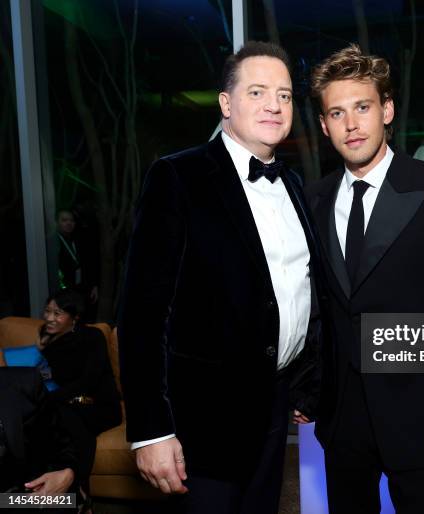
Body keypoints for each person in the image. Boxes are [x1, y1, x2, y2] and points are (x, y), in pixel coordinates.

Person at [118, 40, 324, 514]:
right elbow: (142, 314)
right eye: (257, 92)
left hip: (273, 409)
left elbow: (301, 293)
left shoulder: (293, 185)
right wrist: (152, 429)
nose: (274, 104)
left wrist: (306, 382)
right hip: (201, 423)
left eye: (285, 94)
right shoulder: (178, 177)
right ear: (226, 104)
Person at [306, 44, 424, 514]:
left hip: (419, 411)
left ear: (386, 111)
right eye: (337, 112)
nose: (351, 124)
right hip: (342, 414)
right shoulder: (313, 199)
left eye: (363, 107)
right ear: (325, 125)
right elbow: (315, 306)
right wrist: (304, 385)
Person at [37, 289, 122, 507]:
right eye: (47, 311)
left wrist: (50, 399)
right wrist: (42, 349)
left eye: (57, 313)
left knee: (62, 411)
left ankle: (77, 484)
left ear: (74, 317)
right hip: (69, 403)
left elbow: (88, 382)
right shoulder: (48, 339)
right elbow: (49, 378)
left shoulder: (92, 337)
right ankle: (73, 496)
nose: (49, 318)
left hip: (99, 403)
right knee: (54, 415)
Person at [0, 367, 78, 512]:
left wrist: (68, 474)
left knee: (66, 500)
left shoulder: (25, 382)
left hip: (19, 498)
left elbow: (62, 446)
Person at [56, 209, 99, 319]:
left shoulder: (78, 240)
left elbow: (88, 264)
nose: (69, 223)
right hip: (62, 292)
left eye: (71, 220)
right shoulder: (52, 242)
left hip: (81, 290)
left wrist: (94, 285)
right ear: (57, 222)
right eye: (64, 220)